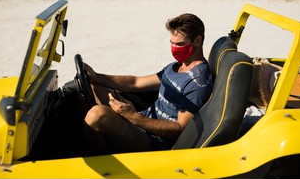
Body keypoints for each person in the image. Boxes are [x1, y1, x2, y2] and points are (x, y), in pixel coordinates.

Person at [81, 13, 213, 154]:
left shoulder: (197, 81)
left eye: (179, 44)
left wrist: (135, 118)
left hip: (154, 141)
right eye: (172, 43)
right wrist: (96, 77)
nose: (174, 48)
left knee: (98, 114)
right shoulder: (176, 66)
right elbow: (135, 82)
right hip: (142, 121)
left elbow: (181, 128)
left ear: (197, 41)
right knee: (95, 87)